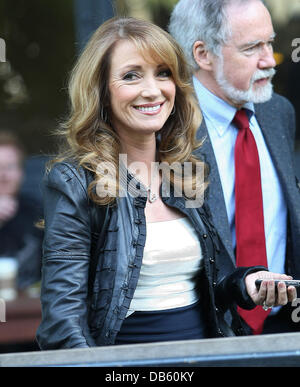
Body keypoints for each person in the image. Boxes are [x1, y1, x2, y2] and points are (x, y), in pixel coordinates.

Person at [35, 17, 296, 350]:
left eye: (163, 73)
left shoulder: (183, 170)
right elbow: (62, 324)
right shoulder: (74, 181)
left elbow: (213, 282)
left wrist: (247, 283)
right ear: (100, 90)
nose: (152, 89)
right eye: (131, 75)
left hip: (207, 357)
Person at [169, 0, 300, 334]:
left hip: (284, 326)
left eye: (269, 43)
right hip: (205, 332)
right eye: (252, 47)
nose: (269, 60)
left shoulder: (278, 112)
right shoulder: (167, 127)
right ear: (203, 55)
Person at [0, 130, 42, 292]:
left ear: (21, 173)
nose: (3, 175)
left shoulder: (37, 213)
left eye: (10, 167)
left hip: (26, 311)